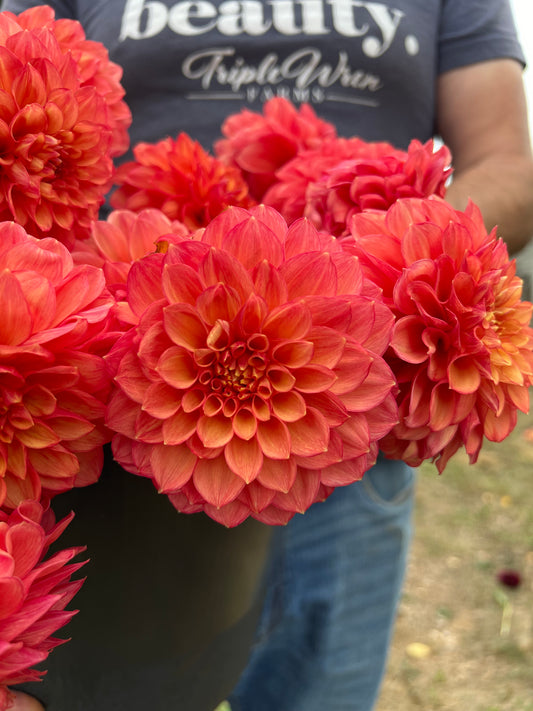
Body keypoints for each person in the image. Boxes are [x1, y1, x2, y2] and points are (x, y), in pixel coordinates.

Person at [4, 1, 533, 710]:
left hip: (347, 400)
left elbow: (507, 160)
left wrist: (380, 271)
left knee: (320, 684)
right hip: (98, 385)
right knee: (116, 688)